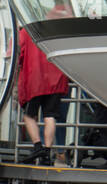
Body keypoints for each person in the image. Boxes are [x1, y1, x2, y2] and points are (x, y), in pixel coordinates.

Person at [16, 27, 72, 165]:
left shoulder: (26, 32)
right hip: (56, 79)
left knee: (29, 116)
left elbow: (19, 55)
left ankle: (37, 146)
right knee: (50, 116)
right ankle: (47, 152)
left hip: (35, 79)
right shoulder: (56, 30)